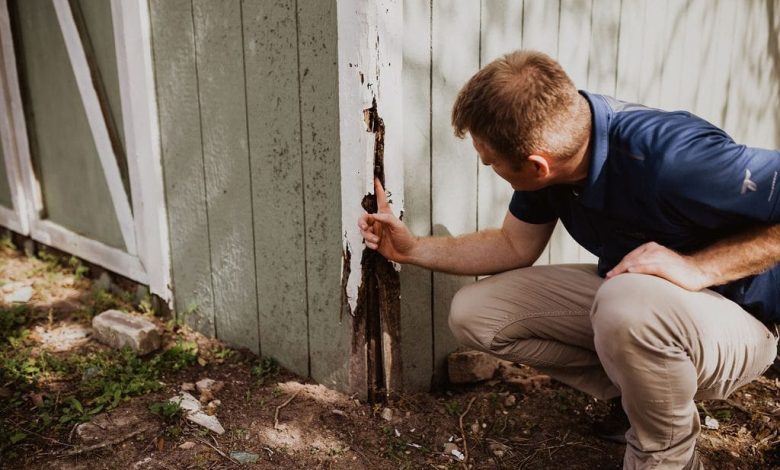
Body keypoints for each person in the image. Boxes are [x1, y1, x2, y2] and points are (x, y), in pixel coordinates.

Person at [358, 50, 779, 469]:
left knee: (625, 305)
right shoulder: (557, 145)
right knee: (476, 313)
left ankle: (668, 458)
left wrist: (699, 267)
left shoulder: (673, 157)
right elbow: (513, 245)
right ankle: (640, 399)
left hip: (741, 317)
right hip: (643, 303)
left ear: (537, 166)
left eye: (491, 162)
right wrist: (413, 249)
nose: (488, 167)